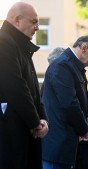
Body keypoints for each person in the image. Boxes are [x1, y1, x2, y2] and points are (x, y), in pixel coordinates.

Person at [42, 33, 88, 169]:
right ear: (84, 47)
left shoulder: (72, 66)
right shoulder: (63, 66)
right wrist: (84, 129)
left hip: (63, 141)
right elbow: (70, 103)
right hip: (57, 143)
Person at [0, 2, 49, 169]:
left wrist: (43, 119)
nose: (38, 27)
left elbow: (33, 88)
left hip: (23, 127)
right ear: (17, 20)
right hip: (12, 130)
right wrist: (36, 123)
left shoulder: (20, 45)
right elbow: (15, 87)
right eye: (34, 22)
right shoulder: (4, 43)